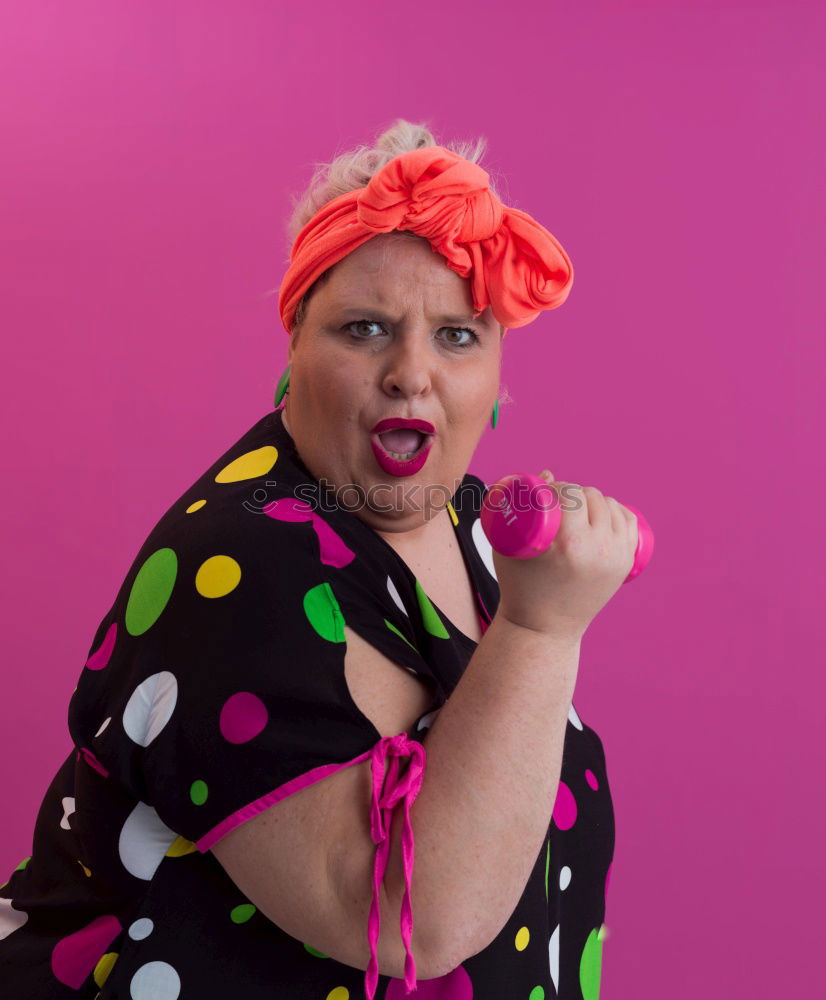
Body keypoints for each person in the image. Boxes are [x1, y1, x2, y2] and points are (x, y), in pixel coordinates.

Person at [0, 119, 638, 999]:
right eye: (365, 328)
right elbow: (409, 913)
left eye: (458, 336)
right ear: (295, 342)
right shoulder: (235, 561)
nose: (412, 373)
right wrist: (542, 627)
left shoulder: (474, 531)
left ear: (497, 375)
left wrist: (533, 611)